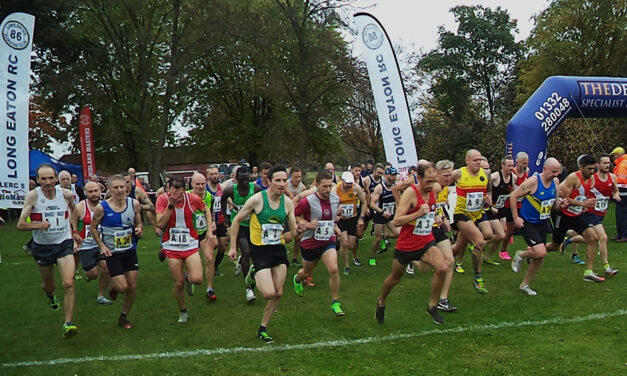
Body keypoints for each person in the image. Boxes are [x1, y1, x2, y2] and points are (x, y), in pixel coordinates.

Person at [227, 165, 298, 343]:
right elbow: (236, 220)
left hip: (278, 250)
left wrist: (301, 230)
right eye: (278, 180)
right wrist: (233, 247)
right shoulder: (257, 200)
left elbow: (293, 232)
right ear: (269, 182)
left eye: (284, 180)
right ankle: (252, 273)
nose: (282, 184)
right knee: (268, 293)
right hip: (260, 250)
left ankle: (263, 328)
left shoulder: (288, 203)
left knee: (278, 294)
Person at [375, 163, 448, 325]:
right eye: (428, 181)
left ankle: (432, 306)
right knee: (394, 279)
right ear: (419, 178)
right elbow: (397, 220)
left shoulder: (435, 189)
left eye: (433, 181)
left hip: (426, 242)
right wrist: (417, 213)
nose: (431, 185)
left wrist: (436, 216)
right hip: (406, 246)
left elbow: (432, 209)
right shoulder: (410, 193)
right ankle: (381, 301)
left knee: (442, 267)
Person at [17, 164, 82, 338]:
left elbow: (75, 211)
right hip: (42, 247)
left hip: (64, 243)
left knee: (69, 282)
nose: (47, 182)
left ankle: (68, 323)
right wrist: (39, 225)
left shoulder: (66, 195)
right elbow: (20, 224)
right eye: (43, 179)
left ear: (56, 179)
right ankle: (50, 295)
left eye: (50, 178)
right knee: (49, 285)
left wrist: (74, 231)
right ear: (37, 180)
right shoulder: (33, 196)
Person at [91, 174, 143, 329]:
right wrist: (101, 246)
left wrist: (139, 228)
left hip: (129, 250)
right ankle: (113, 287)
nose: (120, 190)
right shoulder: (102, 208)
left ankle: (123, 317)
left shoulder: (134, 204)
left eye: (122, 187)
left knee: (132, 286)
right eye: (116, 187)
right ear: (109, 189)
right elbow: (93, 228)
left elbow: (138, 221)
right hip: (112, 253)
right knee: (122, 287)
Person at [156, 176, 209, 323]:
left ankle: (189, 278)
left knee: (197, 279)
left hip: (190, 243)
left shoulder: (193, 199)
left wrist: (210, 230)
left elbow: (206, 210)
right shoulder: (162, 199)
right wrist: (170, 205)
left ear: (184, 190)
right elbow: (160, 223)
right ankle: (183, 310)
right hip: (171, 245)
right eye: (173, 191)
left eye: (179, 191)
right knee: (178, 283)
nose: (176, 195)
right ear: (168, 189)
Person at [292, 170, 344, 316]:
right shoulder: (308, 201)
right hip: (310, 242)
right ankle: (297, 279)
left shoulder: (335, 199)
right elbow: (295, 214)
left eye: (330, 186)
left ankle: (335, 302)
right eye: (324, 187)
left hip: (328, 241)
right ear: (316, 185)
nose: (328, 190)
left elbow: (331, 218)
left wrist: (335, 227)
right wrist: (307, 224)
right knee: (307, 272)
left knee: (333, 269)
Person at [545, 155, 604, 282]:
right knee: (555, 246)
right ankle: (535, 250)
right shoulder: (573, 178)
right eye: (589, 169)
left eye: (593, 168)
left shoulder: (591, 178)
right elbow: (566, 199)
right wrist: (584, 204)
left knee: (593, 238)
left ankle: (588, 272)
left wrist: (585, 205)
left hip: (576, 216)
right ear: (581, 167)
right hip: (563, 215)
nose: (592, 171)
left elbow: (581, 196)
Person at [509, 158, 563, 295]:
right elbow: (513, 196)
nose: (555, 175)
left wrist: (562, 205)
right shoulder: (533, 181)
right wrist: (516, 217)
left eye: (557, 172)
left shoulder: (555, 183)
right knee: (540, 252)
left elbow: (555, 205)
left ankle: (525, 285)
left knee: (540, 257)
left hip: (542, 222)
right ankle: (521, 254)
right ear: (545, 169)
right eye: (553, 171)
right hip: (528, 222)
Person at [563, 154, 621, 275]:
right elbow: (581, 190)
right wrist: (583, 203)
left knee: (589, 238)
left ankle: (568, 241)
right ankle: (606, 267)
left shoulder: (612, 177)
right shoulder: (592, 178)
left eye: (608, 163)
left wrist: (616, 195)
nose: (607, 165)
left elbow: (615, 190)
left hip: (602, 212)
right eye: (604, 163)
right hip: (590, 212)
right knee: (603, 237)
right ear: (598, 165)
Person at [450, 149, 492, 294]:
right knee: (479, 241)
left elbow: (489, 190)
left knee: (487, 235)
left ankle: (443, 260)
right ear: (467, 160)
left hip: (478, 213)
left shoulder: (485, 174)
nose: (478, 163)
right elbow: (442, 185)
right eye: (475, 160)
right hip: (462, 214)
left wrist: (488, 198)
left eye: (480, 160)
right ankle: (478, 278)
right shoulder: (458, 173)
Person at [222, 166, 261, 303]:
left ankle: (240, 261)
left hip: (253, 225)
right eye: (242, 180)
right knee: (246, 251)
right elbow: (222, 199)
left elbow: (264, 200)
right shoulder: (230, 190)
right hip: (238, 225)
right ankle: (248, 288)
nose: (245, 182)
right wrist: (225, 218)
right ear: (236, 179)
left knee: (254, 253)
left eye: (247, 179)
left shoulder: (255, 189)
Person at [72, 181, 112, 304]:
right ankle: (89, 276)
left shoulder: (105, 206)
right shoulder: (80, 207)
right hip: (86, 245)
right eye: (90, 191)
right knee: (93, 273)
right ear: (85, 193)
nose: (94, 194)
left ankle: (101, 295)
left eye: (96, 191)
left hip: (101, 244)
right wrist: (75, 236)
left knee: (106, 269)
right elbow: (71, 224)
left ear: (100, 191)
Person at [187, 172, 218, 301]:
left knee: (210, 258)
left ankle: (209, 289)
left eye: (203, 184)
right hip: (189, 234)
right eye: (197, 184)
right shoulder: (186, 196)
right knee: (191, 263)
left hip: (204, 232)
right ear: (192, 184)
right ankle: (189, 278)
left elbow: (211, 213)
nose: (200, 187)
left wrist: (212, 226)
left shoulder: (209, 196)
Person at [484, 156, 515, 264]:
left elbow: (512, 192)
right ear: (503, 166)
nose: (511, 168)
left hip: (501, 209)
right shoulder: (495, 176)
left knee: (500, 237)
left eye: (512, 165)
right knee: (500, 234)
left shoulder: (513, 178)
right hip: (491, 208)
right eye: (509, 165)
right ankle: (480, 243)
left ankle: (487, 257)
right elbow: (484, 184)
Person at [336, 171, 367, 274]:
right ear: (342, 180)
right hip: (341, 220)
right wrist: (336, 213)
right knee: (344, 243)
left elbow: (364, 202)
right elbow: (329, 205)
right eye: (347, 183)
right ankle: (346, 266)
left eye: (351, 183)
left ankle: (338, 245)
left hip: (352, 219)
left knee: (350, 245)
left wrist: (361, 217)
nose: (349, 185)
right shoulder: (335, 190)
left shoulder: (356, 188)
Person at [368, 166, 401, 266]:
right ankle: (372, 257)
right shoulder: (380, 187)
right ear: (387, 175)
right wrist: (382, 212)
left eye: (395, 175)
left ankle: (385, 236)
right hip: (380, 215)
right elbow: (372, 204)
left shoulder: (396, 186)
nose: (394, 177)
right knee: (377, 239)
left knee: (398, 233)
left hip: (390, 215)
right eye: (392, 175)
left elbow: (398, 200)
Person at [500, 152, 529, 260]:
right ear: (517, 162)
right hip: (510, 205)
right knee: (511, 230)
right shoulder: (512, 173)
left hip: (522, 203)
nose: (525, 165)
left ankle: (530, 249)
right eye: (523, 163)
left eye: (527, 163)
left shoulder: (527, 171)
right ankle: (503, 249)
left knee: (526, 225)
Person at [206, 165, 229, 276]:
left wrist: (231, 204)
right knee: (213, 244)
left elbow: (226, 198)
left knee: (223, 246)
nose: (215, 176)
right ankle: (209, 265)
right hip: (209, 221)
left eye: (216, 174)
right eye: (212, 174)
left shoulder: (222, 187)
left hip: (220, 219)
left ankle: (215, 267)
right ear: (208, 176)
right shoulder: (204, 188)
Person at [610, 147, 627, 242]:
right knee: (619, 213)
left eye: (615, 154)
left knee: (622, 214)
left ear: (619, 154)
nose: (614, 156)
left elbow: (620, 179)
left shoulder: (622, 164)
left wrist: (613, 183)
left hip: (623, 191)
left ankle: (624, 235)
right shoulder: (621, 163)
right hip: (622, 191)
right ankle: (621, 234)